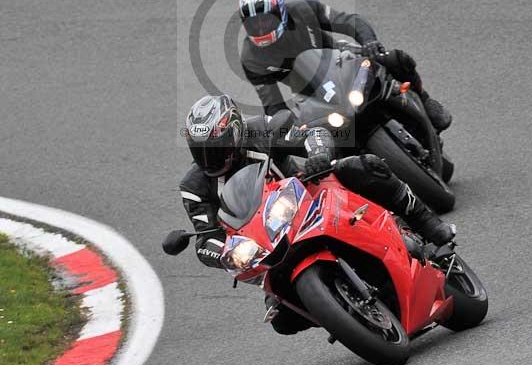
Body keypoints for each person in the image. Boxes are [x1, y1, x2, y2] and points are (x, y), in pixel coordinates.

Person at [165, 94, 455, 335]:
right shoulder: (193, 187)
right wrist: (226, 252)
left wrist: (317, 154)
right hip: (269, 245)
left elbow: (311, 135)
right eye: (200, 151)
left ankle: (427, 224)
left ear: (236, 133)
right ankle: (346, 313)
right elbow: (205, 240)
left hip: (311, 196)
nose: (209, 158)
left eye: (215, 148)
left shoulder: (260, 132)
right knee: (282, 320)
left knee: (362, 166)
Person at [238, 0, 452, 132]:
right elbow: (272, 103)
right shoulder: (251, 58)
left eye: (265, 19)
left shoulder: (304, 11)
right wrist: (284, 124)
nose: (260, 28)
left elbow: (349, 20)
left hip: (341, 57)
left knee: (396, 58)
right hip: (308, 92)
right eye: (253, 23)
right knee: (325, 137)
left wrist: (368, 41)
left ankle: (425, 99)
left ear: (280, 11)